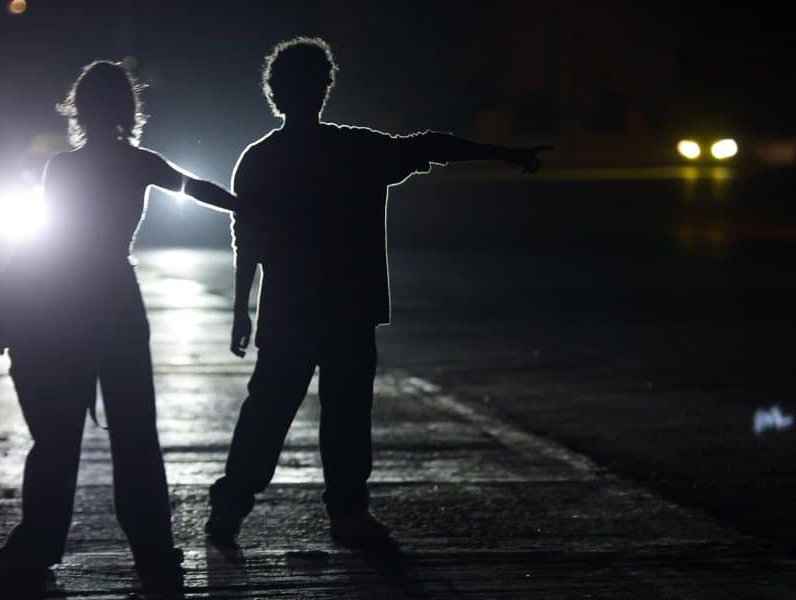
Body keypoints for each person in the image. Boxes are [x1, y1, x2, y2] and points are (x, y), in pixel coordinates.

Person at [206, 38, 549, 548]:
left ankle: (231, 508)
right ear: (325, 89)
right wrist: (503, 153)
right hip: (349, 307)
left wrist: (242, 310)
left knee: (268, 413)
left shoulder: (260, 159)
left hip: (290, 310)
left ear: (274, 92)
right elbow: (432, 144)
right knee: (345, 415)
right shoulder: (356, 150)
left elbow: (247, 241)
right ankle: (347, 514)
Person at [0, 60, 240, 592]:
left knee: (57, 436)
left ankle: (37, 544)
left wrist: (6, 295)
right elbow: (195, 188)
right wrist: (249, 206)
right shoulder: (140, 162)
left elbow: (49, 240)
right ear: (126, 110)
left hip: (68, 306)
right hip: (118, 303)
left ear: (80, 110)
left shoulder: (63, 169)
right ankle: (154, 549)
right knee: (136, 435)